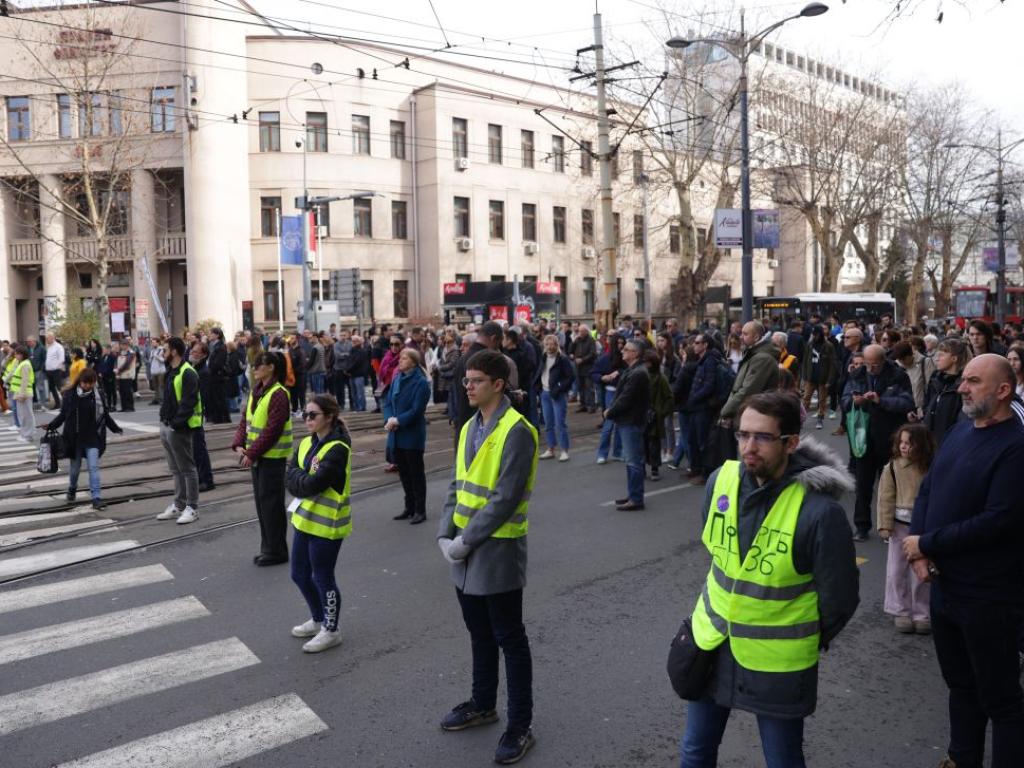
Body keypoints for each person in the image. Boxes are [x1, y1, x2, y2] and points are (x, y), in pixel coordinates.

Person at [679, 391, 859, 768]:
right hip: (712, 642)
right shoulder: (721, 480)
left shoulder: (820, 512)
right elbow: (717, 552)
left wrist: (802, 635)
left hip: (777, 663)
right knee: (695, 752)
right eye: (743, 435)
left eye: (762, 437)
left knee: (782, 760)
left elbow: (839, 598)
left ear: (791, 443)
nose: (748, 446)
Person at [904, 354, 1024, 768]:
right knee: (960, 685)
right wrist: (918, 551)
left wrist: (927, 544)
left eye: (973, 381)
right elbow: (927, 491)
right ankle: (961, 758)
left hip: (988, 595)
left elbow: (998, 521)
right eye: (964, 380)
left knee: (1001, 699)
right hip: (946, 588)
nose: (962, 387)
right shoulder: (958, 431)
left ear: (1003, 390)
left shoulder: (1016, 446)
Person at [436, 350, 539, 765]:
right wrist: (445, 531)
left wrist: (464, 542)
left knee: (509, 639)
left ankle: (520, 725)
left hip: (495, 552)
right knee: (478, 634)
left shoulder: (518, 430)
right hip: (464, 551)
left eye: (476, 380)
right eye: (466, 380)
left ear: (498, 383)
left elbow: (504, 498)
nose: (467, 386)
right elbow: (456, 484)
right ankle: (483, 703)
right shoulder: (469, 426)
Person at [285, 394, 352, 653]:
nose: (307, 419)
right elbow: (290, 475)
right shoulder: (305, 443)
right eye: (305, 414)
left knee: (323, 577)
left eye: (313, 415)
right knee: (299, 574)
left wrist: (298, 479)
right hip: (304, 520)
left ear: (329, 417)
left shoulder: (338, 448)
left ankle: (331, 630)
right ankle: (317, 619)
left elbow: (313, 483)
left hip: (328, 525)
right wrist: (299, 479)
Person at [841, 344, 915, 542]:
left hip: (890, 436)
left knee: (890, 485)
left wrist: (880, 401)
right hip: (863, 437)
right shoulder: (857, 374)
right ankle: (861, 527)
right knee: (863, 486)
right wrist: (853, 402)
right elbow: (844, 400)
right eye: (867, 364)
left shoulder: (897, 375)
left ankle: (888, 527)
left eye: (874, 365)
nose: (870, 369)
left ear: (884, 361)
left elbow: (907, 403)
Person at [233, 351, 294, 565]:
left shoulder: (278, 393)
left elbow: (273, 430)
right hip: (260, 457)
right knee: (263, 505)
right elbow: (245, 421)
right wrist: (239, 443)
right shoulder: (257, 391)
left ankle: (277, 551)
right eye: (255, 364)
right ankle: (268, 547)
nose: (255, 368)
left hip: (272, 458)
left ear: (271, 368)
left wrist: (251, 453)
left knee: (272, 505)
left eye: (260, 364)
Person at [877, 423, 935, 634]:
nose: (904, 447)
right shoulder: (892, 467)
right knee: (896, 570)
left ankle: (922, 613)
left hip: (924, 527)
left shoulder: (930, 468)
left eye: (909, 443)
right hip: (900, 526)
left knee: (921, 571)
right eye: (901, 442)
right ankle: (901, 610)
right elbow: (885, 498)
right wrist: (885, 524)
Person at [43, 368, 122, 510]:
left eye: (91, 383)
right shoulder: (70, 395)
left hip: (93, 438)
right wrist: (50, 425)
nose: (88, 386)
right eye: (85, 383)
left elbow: (104, 415)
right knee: (75, 470)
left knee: (93, 467)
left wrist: (115, 428)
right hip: (75, 439)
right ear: (80, 381)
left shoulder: (98, 395)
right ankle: (72, 488)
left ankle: (96, 498)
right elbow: (63, 415)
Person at [155, 337, 202, 525]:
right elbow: (168, 399)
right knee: (176, 469)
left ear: (174, 351)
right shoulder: (172, 371)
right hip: (168, 425)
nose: (162, 353)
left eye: (165, 349)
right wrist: (164, 421)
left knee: (187, 469)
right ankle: (179, 504)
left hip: (180, 428)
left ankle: (192, 507)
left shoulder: (187, 372)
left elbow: (188, 402)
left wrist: (176, 424)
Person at [384, 347, 431, 524]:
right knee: (403, 472)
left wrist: (398, 420)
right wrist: (389, 418)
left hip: (411, 434)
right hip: (396, 433)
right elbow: (388, 402)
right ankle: (409, 507)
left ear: (413, 361)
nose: (400, 360)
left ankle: (420, 510)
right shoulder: (397, 379)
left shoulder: (420, 383)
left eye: (404, 358)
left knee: (416, 473)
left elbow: (417, 410)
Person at [603, 340, 651, 510]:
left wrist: (611, 411)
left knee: (633, 461)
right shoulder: (633, 370)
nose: (622, 351)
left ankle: (636, 498)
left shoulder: (638, 373)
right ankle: (632, 494)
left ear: (635, 354)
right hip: (627, 419)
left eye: (627, 349)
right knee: (631, 460)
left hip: (631, 420)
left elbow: (626, 397)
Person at [922, 337, 971, 448]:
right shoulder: (935, 378)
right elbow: (927, 404)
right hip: (929, 441)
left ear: (954, 358)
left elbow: (963, 419)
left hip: (950, 444)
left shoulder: (963, 384)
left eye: (941, 355)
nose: (937, 359)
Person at [534, 334, 573, 462]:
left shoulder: (562, 359)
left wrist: (559, 387)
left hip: (557, 394)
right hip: (544, 393)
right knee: (548, 423)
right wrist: (537, 387)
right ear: (544, 346)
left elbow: (570, 377)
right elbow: (539, 372)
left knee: (560, 423)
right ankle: (551, 449)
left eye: (552, 344)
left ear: (557, 345)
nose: (550, 347)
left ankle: (564, 450)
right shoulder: (542, 357)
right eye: (547, 344)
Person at [188, 342, 216, 493]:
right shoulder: (194, 369)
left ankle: (206, 480)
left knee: (199, 450)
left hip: (196, 417)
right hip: (192, 417)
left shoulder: (203, 372)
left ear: (204, 355)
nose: (193, 353)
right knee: (195, 451)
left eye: (196, 351)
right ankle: (201, 478)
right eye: (192, 350)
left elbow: (203, 396)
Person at [643, 349, 673, 482]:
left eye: (647, 362)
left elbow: (669, 397)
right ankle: (642, 467)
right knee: (642, 443)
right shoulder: (641, 375)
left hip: (655, 415)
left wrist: (661, 412)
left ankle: (654, 468)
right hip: (642, 414)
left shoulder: (661, 378)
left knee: (654, 444)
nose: (645, 364)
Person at [800, 325, 836, 431]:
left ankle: (820, 418)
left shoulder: (828, 346)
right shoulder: (809, 345)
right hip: (810, 377)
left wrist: (830, 379)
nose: (814, 336)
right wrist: (804, 376)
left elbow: (832, 363)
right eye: (813, 334)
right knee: (806, 398)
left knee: (822, 400)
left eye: (816, 334)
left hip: (823, 378)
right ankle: (801, 418)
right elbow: (805, 360)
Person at [9, 345, 35, 442]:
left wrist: (22, 394)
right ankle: (25, 434)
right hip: (21, 393)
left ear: (21, 354)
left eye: (16, 354)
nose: (15, 355)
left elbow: (25, 381)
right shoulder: (23, 363)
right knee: (23, 416)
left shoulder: (25, 365)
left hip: (24, 394)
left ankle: (28, 436)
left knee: (26, 416)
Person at [571, 323, 598, 413]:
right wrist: (574, 341)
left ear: (586, 331)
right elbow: (571, 350)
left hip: (588, 367)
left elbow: (593, 353)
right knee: (580, 387)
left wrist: (582, 359)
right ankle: (583, 405)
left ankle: (591, 405)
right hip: (578, 367)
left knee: (589, 387)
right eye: (579, 331)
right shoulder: (577, 340)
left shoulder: (591, 340)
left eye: (582, 331)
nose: (580, 333)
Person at [347, 335, 370, 412]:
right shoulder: (351, 350)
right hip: (352, 374)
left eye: (355, 341)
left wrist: (348, 370)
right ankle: (356, 407)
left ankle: (361, 408)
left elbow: (356, 362)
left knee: (360, 393)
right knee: (353, 394)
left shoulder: (362, 351)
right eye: (352, 341)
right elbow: (349, 361)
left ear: (359, 342)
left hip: (359, 374)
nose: (353, 342)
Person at [44, 332, 66, 409]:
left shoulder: (58, 347)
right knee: (52, 388)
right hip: (49, 371)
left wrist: (57, 368)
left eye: (47, 338)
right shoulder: (49, 347)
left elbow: (61, 359)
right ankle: (58, 403)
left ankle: (66, 403)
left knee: (59, 387)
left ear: (52, 338)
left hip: (56, 370)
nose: (46, 340)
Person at [115, 339, 136, 412]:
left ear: (127, 345)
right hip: (121, 375)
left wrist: (118, 371)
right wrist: (116, 369)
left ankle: (130, 407)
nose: (121, 346)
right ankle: (124, 407)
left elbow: (127, 364)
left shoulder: (131, 353)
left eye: (122, 345)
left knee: (127, 391)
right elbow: (116, 362)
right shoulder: (120, 353)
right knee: (122, 391)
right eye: (121, 345)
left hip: (128, 374)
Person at [148, 337, 167, 406]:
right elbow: (150, 360)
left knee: (161, 385)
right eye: (152, 342)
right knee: (155, 386)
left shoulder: (162, 349)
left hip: (161, 370)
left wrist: (157, 356)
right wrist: (151, 358)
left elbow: (164, 360)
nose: (152, 344)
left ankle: (162, 399)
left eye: (154, 342)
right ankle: (156, 399)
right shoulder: (152, 350)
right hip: (154, 370)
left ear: (158, 343)